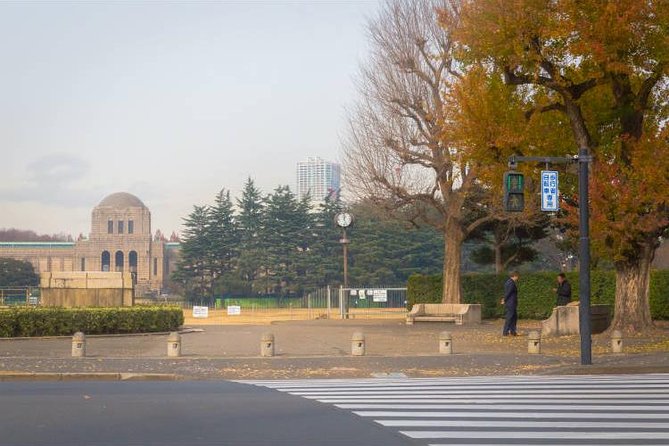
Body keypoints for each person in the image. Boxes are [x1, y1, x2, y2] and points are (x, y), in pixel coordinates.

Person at [501, 271, 519, 336]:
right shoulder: (511, 283)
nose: (518, 278)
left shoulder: (507, 282)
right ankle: (505, 332)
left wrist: (504, 299)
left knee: (514, 317)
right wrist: (504, 299)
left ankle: (512, 331)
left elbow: (506, 292)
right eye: (517, 276)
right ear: (514, 276)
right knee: (510, 317)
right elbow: (508, 292)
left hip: (510, 303)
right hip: (511, 303)